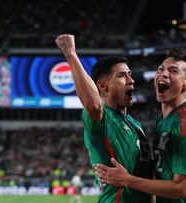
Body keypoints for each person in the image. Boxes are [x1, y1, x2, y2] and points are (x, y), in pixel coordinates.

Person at [95, 48, 186, 203]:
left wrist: (127, 180)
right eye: (160, 69)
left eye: (173, 71)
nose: (163, 73)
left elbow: (181, 189)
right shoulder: (164, 119)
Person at [55, 34, 152, 203]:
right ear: (102, 86)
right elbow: (94, 105)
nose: (131, 80)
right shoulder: (102, 118)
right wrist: (70, 53)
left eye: (130, 74)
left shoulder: (136, 125)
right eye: (122, 76)